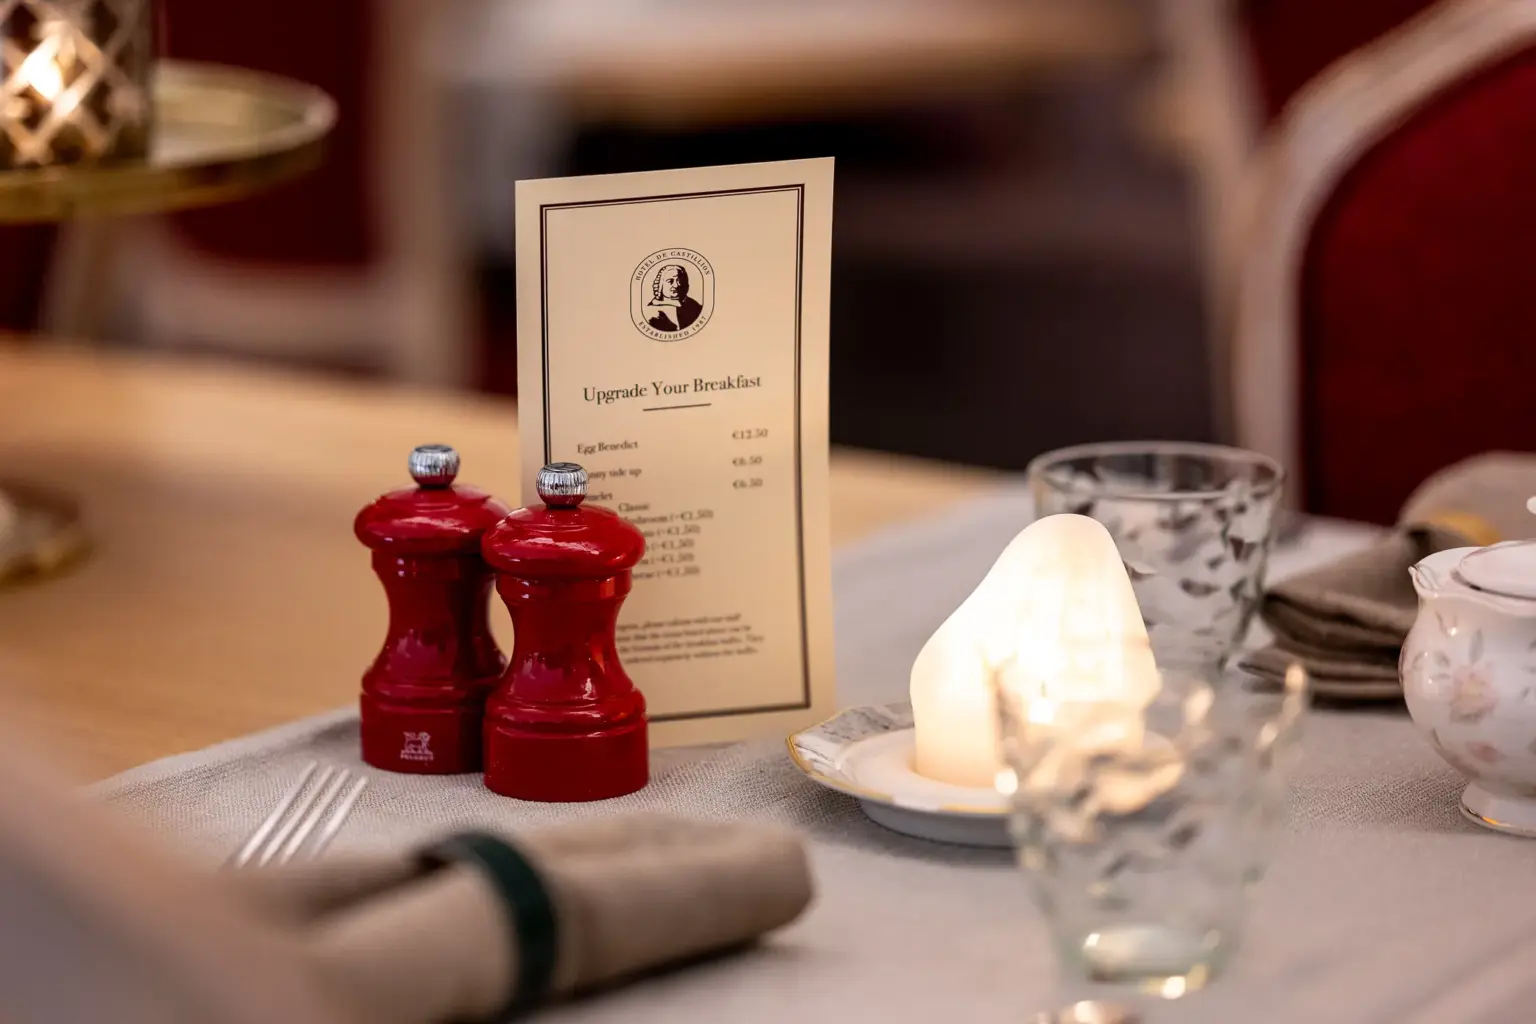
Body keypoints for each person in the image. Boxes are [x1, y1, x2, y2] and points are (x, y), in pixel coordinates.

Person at [645, 264, 703, 332]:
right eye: (670, 281)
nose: (676, 285)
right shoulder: (651, 312)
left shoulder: (695, 307)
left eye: (680, 281)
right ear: (660, 285)